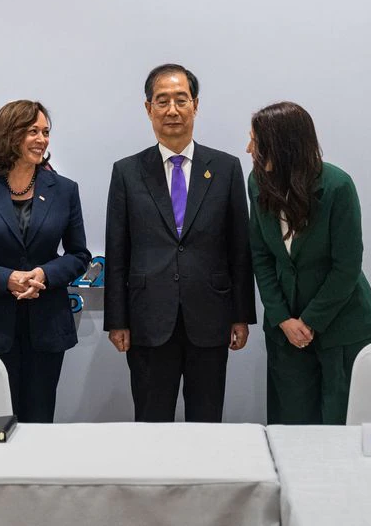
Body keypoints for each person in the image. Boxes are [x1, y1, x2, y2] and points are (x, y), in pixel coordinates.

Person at [104, 64, 256, 423]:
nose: (172, 110)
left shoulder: (226, 168)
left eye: (181, 100)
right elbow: (117, 253)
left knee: (207, 421)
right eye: (162, 101)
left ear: (195, 105)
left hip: (210, 317)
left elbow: (239, 249)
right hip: (148, 321)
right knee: (151, 421)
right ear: (148, 108)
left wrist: (241, 315)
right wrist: (117, 320)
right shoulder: (127, 172)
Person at [0, 100, 90, 423]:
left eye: (45, 132)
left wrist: (44, 274)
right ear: (9, 135)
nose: (42, 139)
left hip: (46, 327)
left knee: (39, 422)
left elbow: (79, 255)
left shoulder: (65, 190)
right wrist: (6, 279)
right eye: (32, 131)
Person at [246, 101, 371, 425]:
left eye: (255, 141)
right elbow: (261, 256)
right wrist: (282, 319)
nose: (249, 149)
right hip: (286, 331)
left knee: (341, 427)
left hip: (342, 328)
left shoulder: (337, 186)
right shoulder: (257, 182)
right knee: (292, 429)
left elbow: (346, 266)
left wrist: (309, 321)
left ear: (282, 146)